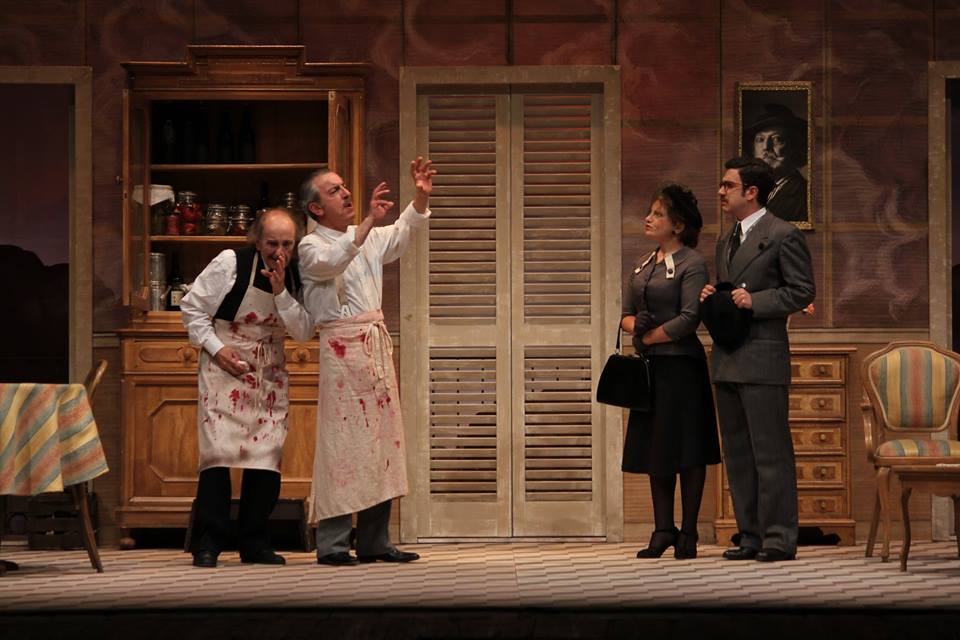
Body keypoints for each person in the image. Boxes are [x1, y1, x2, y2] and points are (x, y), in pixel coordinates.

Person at [299, 157, 435, 566]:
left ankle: (375, 541)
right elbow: (333, 262)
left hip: (373, 347)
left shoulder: (366, 237)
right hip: (342, 352)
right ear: (316, 208)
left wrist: (420, 197)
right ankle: (334, 543)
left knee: (381, 442)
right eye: (335, 190)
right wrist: (368, 224)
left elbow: (402, 233)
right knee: (343, 445)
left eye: (344, 186)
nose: (346, 193)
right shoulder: (311, 246)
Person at [181, 208, 314, 568]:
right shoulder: (230, 263)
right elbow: (192, 309)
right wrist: (217, 349)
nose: (279, 252)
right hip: (224, 367)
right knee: (217, 455)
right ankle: (208, 543)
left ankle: (254, 543)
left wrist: (282, 291)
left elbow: (304, 331)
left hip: (269, 373)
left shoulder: (298, 274)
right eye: (272, 244)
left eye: (287, 244)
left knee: (266, 457)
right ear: (257, 241)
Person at [700, 156, 815, 562]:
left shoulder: (783, 234)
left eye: (728, 185)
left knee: (770, 454)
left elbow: (802, 291)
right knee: (738, 454)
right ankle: (749, 535)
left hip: (763, 357)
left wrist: (756, 300)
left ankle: (778, 539)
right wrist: (713, 297)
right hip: (728, 356)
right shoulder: (725, 239)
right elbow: (731, 292)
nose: (721, 192)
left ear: (751, 192)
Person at [622, 184, 721, 560]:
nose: (648, 218)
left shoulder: (692, 263)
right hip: (652, 368)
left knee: (688, 448)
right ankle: (663, 528)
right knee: (656, 448)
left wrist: (648, 336)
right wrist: (634, 326)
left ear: (677, 225)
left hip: (682, 368)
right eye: (650, 212)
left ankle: (689, 532)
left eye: (658, 214)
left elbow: (689, 318)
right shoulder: (643, 263)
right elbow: (625, 313)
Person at [746, 103, 808, 222]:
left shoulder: (804, 194)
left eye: (777, 139)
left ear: (794, 147)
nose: (766, 147)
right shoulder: (752, 193)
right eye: (760, 140)